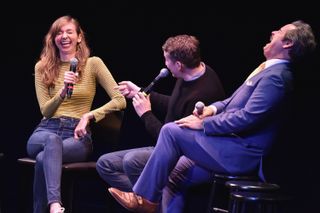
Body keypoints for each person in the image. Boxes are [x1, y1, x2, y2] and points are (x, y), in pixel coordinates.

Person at [108, 20, 317, 213]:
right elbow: (231, 102)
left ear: (288, 43)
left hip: (242, 154)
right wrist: (212, 109)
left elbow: (247, 117)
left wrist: (203, 123)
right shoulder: (266, 70)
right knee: (174, 175)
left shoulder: (277, 78)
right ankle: (147, 199)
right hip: (229, 145)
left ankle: (145, 199)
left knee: (171, 131)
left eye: (279, 32)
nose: (273, 32)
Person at [96, 34, 225, 209]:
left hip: (185, 154)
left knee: (131, 161)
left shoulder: (203, 93)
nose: (165, 64)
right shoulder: (193, 73)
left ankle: (147, 201)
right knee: (105, 164)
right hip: (170, 144)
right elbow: (174, 104)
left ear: (178, 65)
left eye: (167, 60)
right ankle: (150, 201)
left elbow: (172, 140)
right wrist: (140, 92)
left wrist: (146, 114)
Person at [26, 15, 126, 213]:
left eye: (69, 32)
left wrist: (89, 116)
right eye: (59, 33)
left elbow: (120, 100)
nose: (64, 36)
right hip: (46, 129)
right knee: (52, 140)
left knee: (42, 159)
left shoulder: (93, 64)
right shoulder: (42, 67)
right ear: (53, 38)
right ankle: (55, 205)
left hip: (77, 135)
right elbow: (45, 110)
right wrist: (63, 91)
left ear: (79, 37)